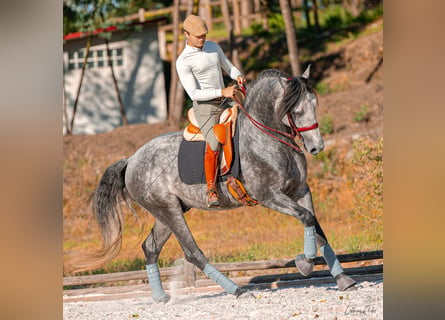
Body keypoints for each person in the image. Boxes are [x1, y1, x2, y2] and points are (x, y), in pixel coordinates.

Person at [176, 14, 246, 208]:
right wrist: (222, 91)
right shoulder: (183, 61)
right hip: (205, 108)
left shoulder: (213, 47)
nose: (202, 39)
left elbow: (228, 67)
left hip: (225, 99)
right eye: (197, 36)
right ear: (186, 34)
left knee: (248, 120)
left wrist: (238, 75)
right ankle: (211, 189)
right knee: (214, 141)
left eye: (204, 35)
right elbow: (194, 94)